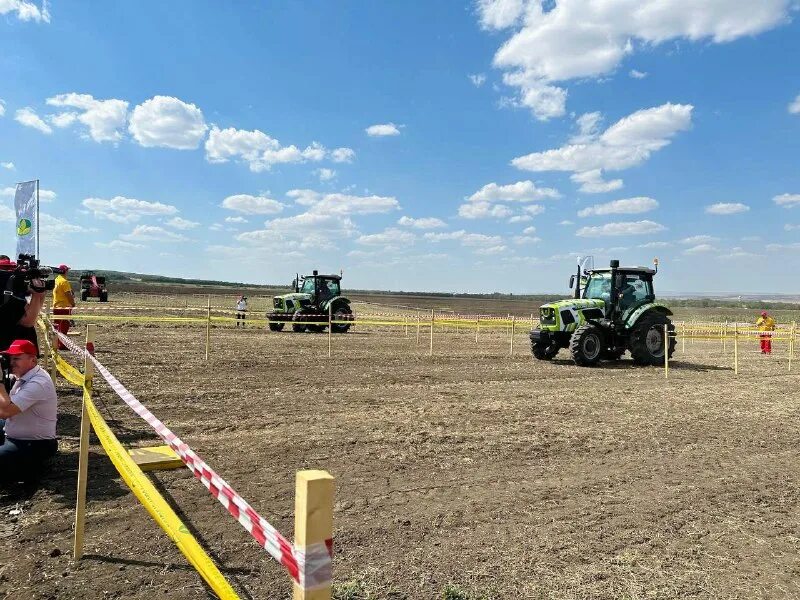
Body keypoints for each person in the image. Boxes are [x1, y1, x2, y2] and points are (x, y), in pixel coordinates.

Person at [0, 339, 58, 487]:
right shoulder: (24, 375)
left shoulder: (38, 383)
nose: (11, 363)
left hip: (34, 444)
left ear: (33, 360)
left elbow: (5, 411)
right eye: (10, 358)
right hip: (15, 435)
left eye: (16, 358)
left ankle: (31, 470)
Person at [0, 258, 45, 353]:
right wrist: (37, 295)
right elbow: (28, 321)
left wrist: (39, 293)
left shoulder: (11, 297)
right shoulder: (9, 300)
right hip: (12, 350)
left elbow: (34, 311)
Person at [52, 264, 75, 349]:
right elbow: (68, 294)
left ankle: (56, 343)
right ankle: (62, 344)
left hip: (56, 306)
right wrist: (72, 303)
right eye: (67, 270)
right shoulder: (64, 282)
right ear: (65, 271)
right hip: (64, 307)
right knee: (64, 326)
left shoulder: (57, 280)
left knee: (57, 326)